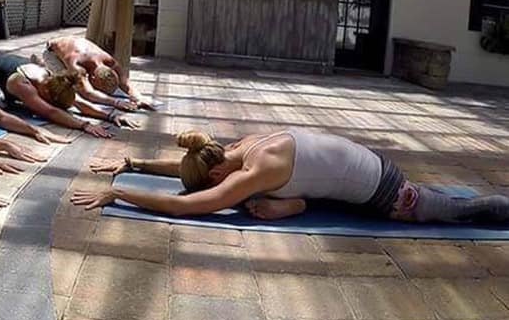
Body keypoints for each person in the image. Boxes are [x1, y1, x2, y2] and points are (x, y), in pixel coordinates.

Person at [72, 128, 509, 224]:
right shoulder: (242, 146)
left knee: (460, 210)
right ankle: (293, 203)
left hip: (391, 194)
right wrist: (134, 164)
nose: (220, 187)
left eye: (217, 182)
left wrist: (121, 195)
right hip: (373, 167)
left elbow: (188, 204)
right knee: (275, 198)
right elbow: (192, 169)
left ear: (220, 173)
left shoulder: (253, 172)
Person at [0, 54, 141, 139]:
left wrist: (110, 115)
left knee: (28, 106)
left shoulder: (54, 79)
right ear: (45, 94)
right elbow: (50, 112)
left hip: (7, 77)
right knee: (1, 105)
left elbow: (79, 102)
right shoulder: (23, 85)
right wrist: (84, 125)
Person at [39, 36, 154, 110]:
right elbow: (88, 93)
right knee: (68, 86)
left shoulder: (110, 61)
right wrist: (116, 102)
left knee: (75, 81)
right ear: (92, 78)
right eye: (99, 87)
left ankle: (42, 64)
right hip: (52, 52)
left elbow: (125, 81)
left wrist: (138, 97)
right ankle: (43, 65)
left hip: (76, 48)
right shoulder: (78, 67)